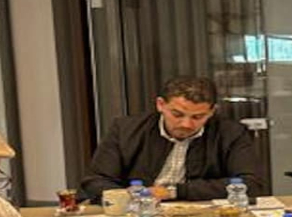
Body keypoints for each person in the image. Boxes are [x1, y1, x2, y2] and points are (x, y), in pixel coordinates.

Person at [80, 75, 264, 201]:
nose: (186, 124)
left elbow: (250, 184)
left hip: (203, 215)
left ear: (211, 112)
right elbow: (95, 181)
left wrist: (173, 192)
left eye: (198, 117)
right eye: (177, 114)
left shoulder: (231, 133)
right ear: (161, 105)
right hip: (140, 212)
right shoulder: (125, 129)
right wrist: (127, 196)